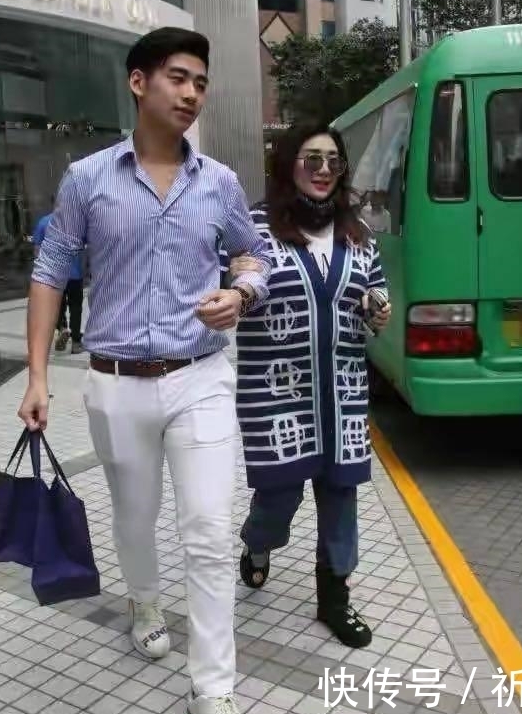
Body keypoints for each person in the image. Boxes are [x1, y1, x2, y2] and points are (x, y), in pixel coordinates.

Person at [18, 27, 271, 714]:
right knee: (134, 517)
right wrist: (37, 375)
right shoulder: (88, 179)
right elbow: (50, 271)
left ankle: (213, 686)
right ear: (139, 83)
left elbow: (252, 253)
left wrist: (243, 293)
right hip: (116, 380)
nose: (192, 93)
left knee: (210, 530)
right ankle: (145, 599)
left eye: (201, 83)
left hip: (201, 375)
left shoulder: (219, 182)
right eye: (178, 78)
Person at [228, 124, 391, 649]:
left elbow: (376, 293)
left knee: (341, 496)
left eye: (333, 161)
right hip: (276, 396)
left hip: (342, 396)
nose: (323, 170)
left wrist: (376, 311)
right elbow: (234, 286)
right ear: (288, 164)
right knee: (278, 497)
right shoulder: (253, 227)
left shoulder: (357, 235)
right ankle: (257, 543)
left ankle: (335, 598)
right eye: (311, 158)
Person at [32, 208, 85, 353]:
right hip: (74, 274)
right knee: (76, 308)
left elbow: (37, 250)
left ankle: (62, 328)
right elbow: (84, 246)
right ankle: (76, 343)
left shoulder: (43, 222)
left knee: (56, 307)